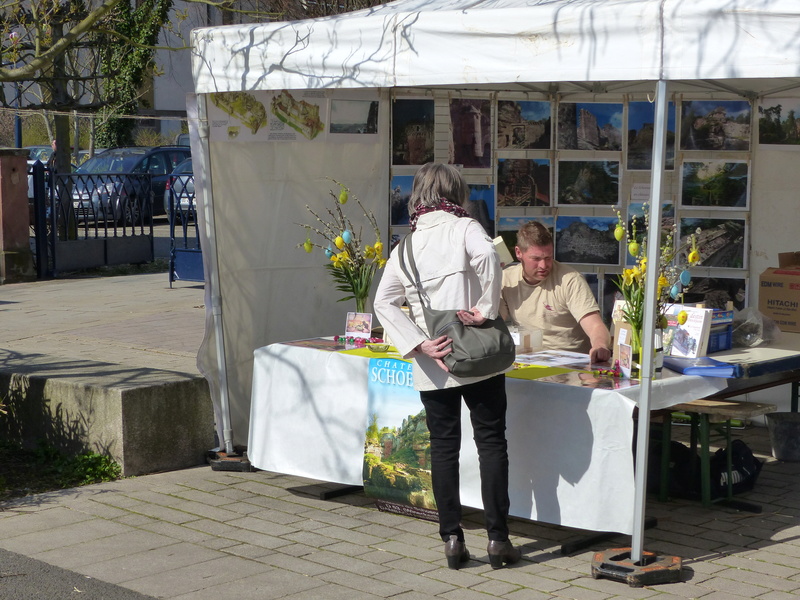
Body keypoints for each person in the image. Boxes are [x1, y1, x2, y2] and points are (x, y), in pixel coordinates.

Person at [374, 163, 520, 571]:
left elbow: (382, 303)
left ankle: (452, 540)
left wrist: (418, 342)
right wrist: (485, 309)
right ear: (457, 191)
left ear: (417, 195)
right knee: (491, 442)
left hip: (435, 361)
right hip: (480, 357)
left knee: (443, 448)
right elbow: (490, 256)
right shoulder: (465, 226)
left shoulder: (405, 247)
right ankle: (497, 539)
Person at [500, 221, 611, 364]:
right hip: (527, 361)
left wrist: (600, 345)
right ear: (518, 253)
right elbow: (496, 322)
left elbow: (595, 325)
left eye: (548, 258)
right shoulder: (506, 279)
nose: (543, 266)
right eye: (536, 259)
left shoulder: (569, 279)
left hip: (569, 363)